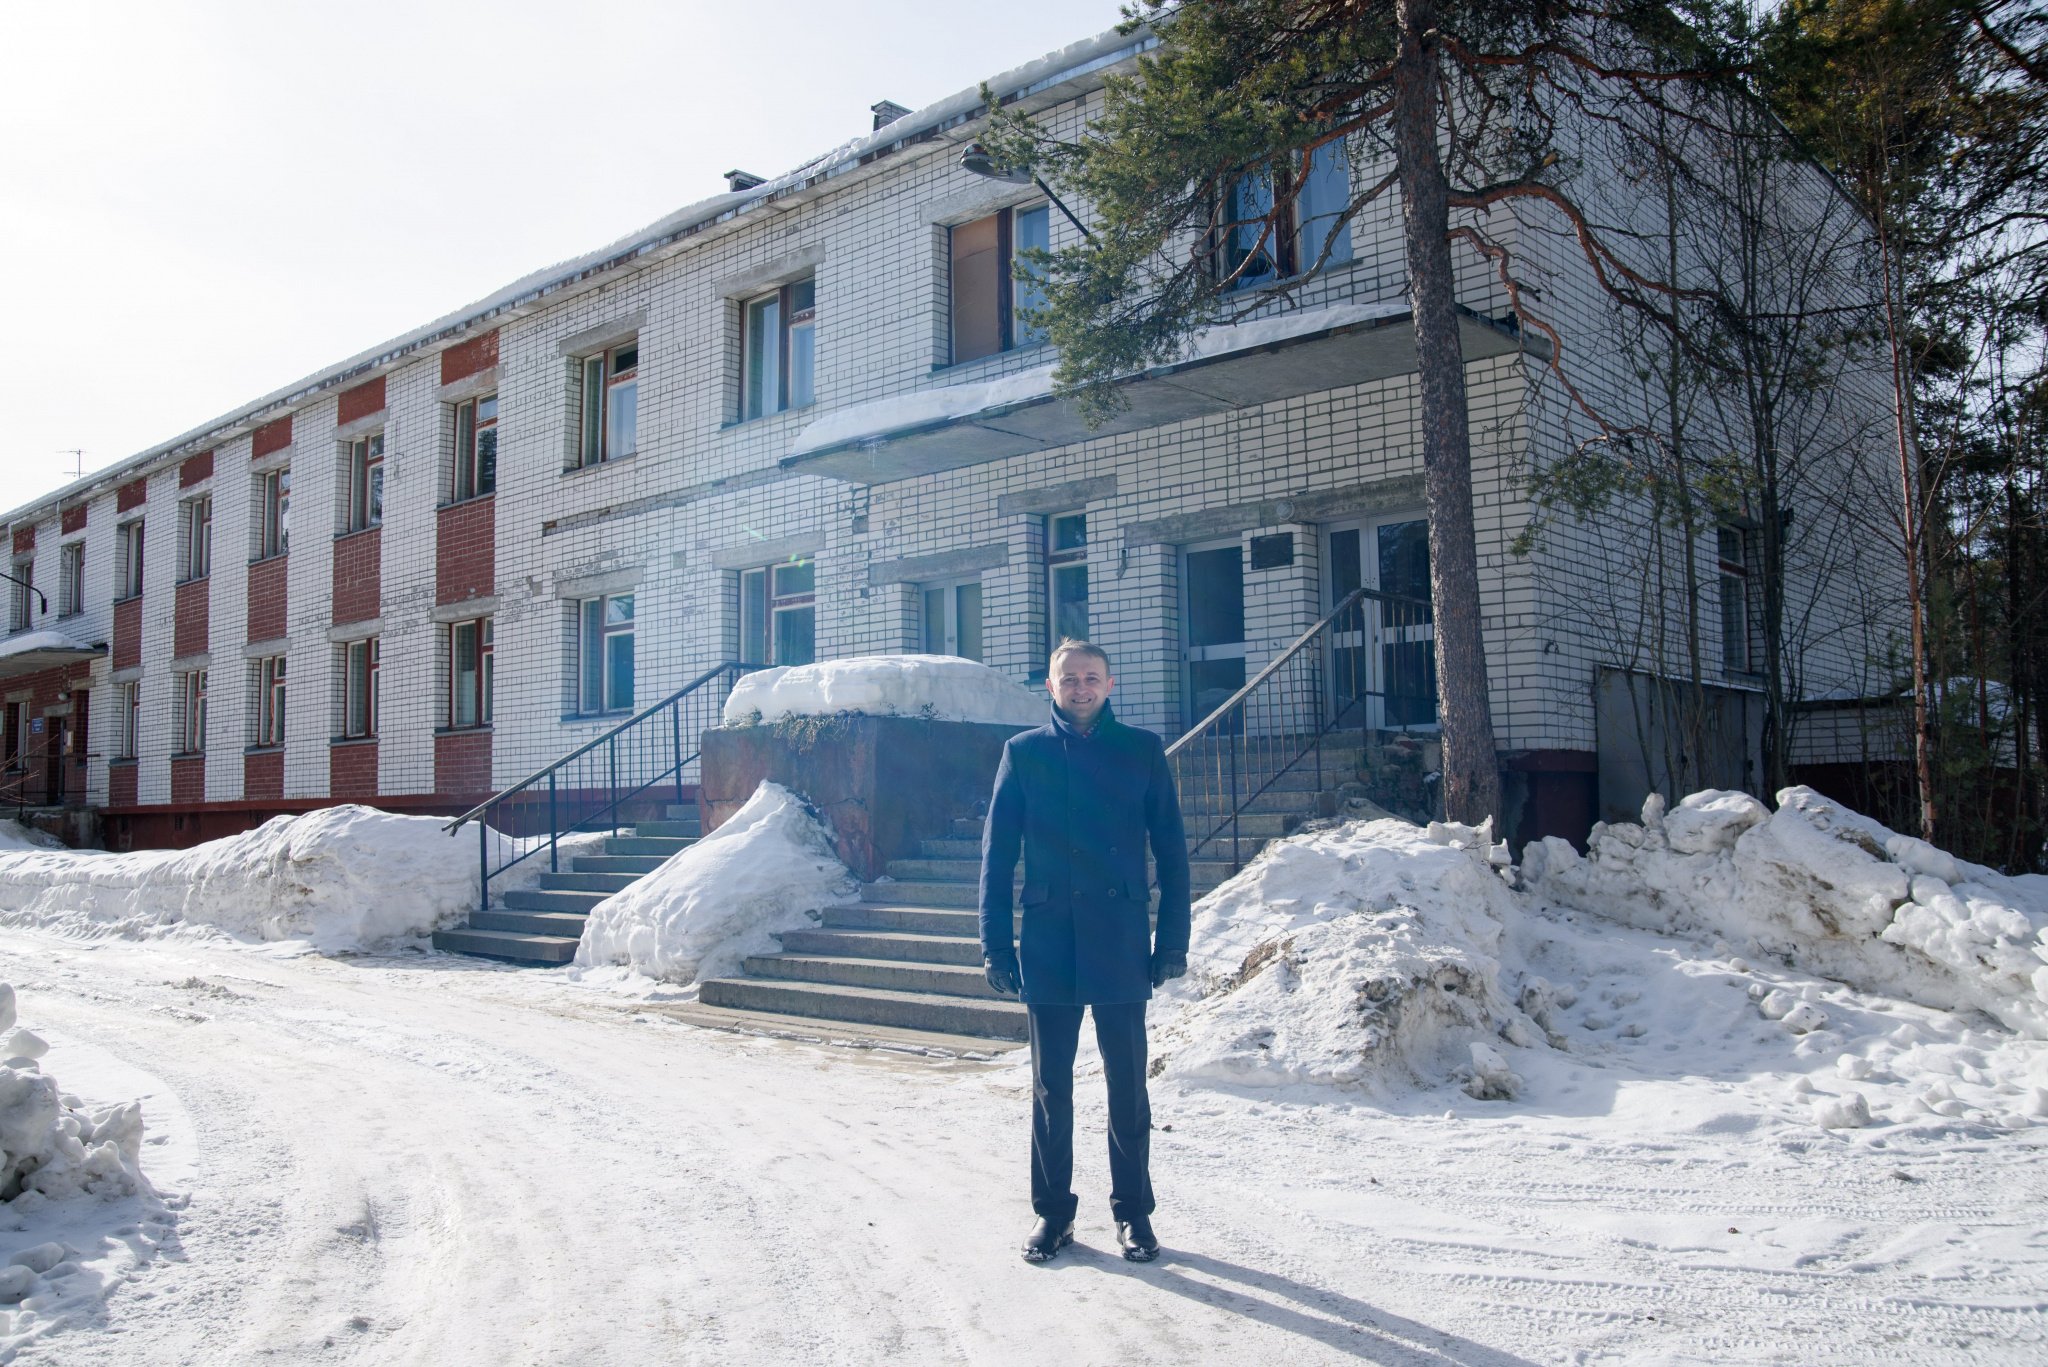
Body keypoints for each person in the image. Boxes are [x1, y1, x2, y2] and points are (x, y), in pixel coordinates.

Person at [979, 639, 1191, 1264]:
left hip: (1121, 939)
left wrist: (1172, 941)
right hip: (1049, 941)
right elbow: (996, 859)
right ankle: (1053, 1214)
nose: (1080, 687)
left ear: (1109, 683)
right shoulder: (1024, 753)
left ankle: (1134, 1214)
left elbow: (1173, 854)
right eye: (1069, 678)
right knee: (1051, 1088)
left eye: (1091, 677)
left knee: (1128, 1086)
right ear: (1050, 685)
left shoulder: (1142, 750)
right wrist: (996, 945)